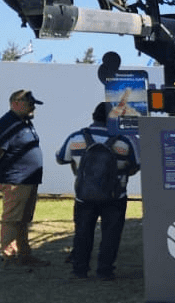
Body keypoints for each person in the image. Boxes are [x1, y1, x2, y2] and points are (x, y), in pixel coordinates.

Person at [55, 102, 140, 280]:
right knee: (111, 234)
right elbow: (135, 165)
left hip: (84, 196)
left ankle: (80, 270)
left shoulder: (76, 137)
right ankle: (105, 271)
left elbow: (61, 158)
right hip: (115, 196)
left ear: (94, 116)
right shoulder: (125, 141)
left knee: (82, 232)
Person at [0, 89, 48, 266]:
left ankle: (24, 254)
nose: (33, 107)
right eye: (29, 103)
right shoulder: (7, 123)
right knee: (12, 220)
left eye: (33, 103)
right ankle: (9, 256)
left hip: (28, 180)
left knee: (24, 219)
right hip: (16, 180)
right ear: (15, 103)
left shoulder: (25, 122)